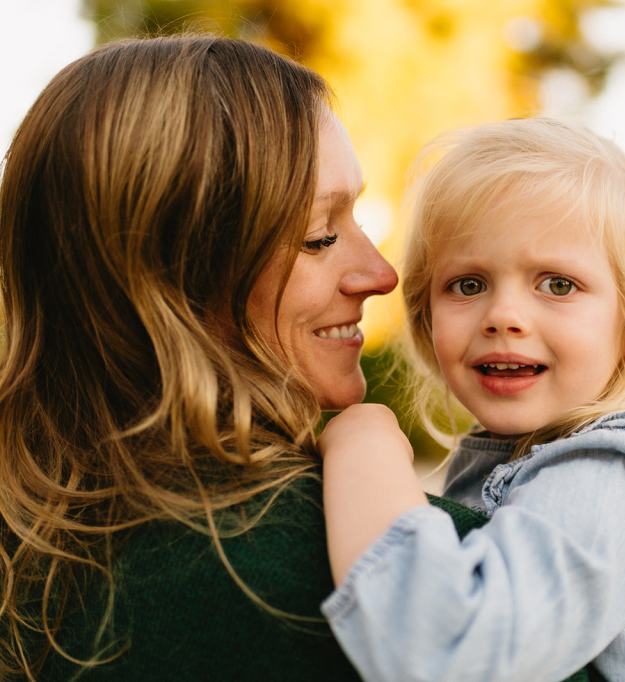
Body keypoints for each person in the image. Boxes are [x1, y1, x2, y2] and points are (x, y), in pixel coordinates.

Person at [0, 35, 519, 681]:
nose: (382, 275)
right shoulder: (423, 584)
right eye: (319, 236)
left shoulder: (36, 560)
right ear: (171, 278)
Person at [318, 118, 625, 681]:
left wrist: (364, 444)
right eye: (468, 284)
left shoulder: (617, 473)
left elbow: (453, 653)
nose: (503, 317)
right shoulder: (510, 460)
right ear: (426, 318)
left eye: (558, 284)